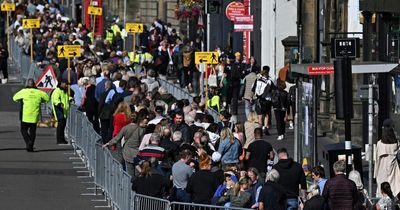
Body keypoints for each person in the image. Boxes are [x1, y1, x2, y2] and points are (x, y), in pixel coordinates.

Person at [13, 78, 50, 152]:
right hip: (34, 115)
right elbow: (47, 98)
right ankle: (30, 147)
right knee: (33, 132)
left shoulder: (24, 91)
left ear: (27, 84)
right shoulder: (38, 92)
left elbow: (14, 98)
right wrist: (41, 100)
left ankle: (28, 142)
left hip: (25, 115)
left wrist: (20, 100)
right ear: (34, 84)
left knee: (23, 130)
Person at [374, 119, 400, 197]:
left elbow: (376, 160)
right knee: (393, 186)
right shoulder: (396, 143)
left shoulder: (379, 144)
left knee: (382, 189)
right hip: (393, 169)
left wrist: (375, 174)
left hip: (382, 170)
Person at [252, 66, 275, 135]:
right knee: (266, 115)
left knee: (260, 115)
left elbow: (253, 89)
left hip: (258, 99)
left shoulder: (258, 79)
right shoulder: (269, 80)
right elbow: (272, 89)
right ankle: (265, 127)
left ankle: (260, 128)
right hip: (266, 99)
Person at [51, 79, 70, 144]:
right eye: (65, 84)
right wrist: (59, 103)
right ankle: (59, 139)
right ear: (61, 83)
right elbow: (55, 99)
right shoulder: (57, 91)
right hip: (59, 109)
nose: (66, 85)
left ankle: (62, 139)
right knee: (60, 125)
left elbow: (66, 98)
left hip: (64, 110)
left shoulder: (64, 91)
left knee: (63, 125)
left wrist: (70, 99)